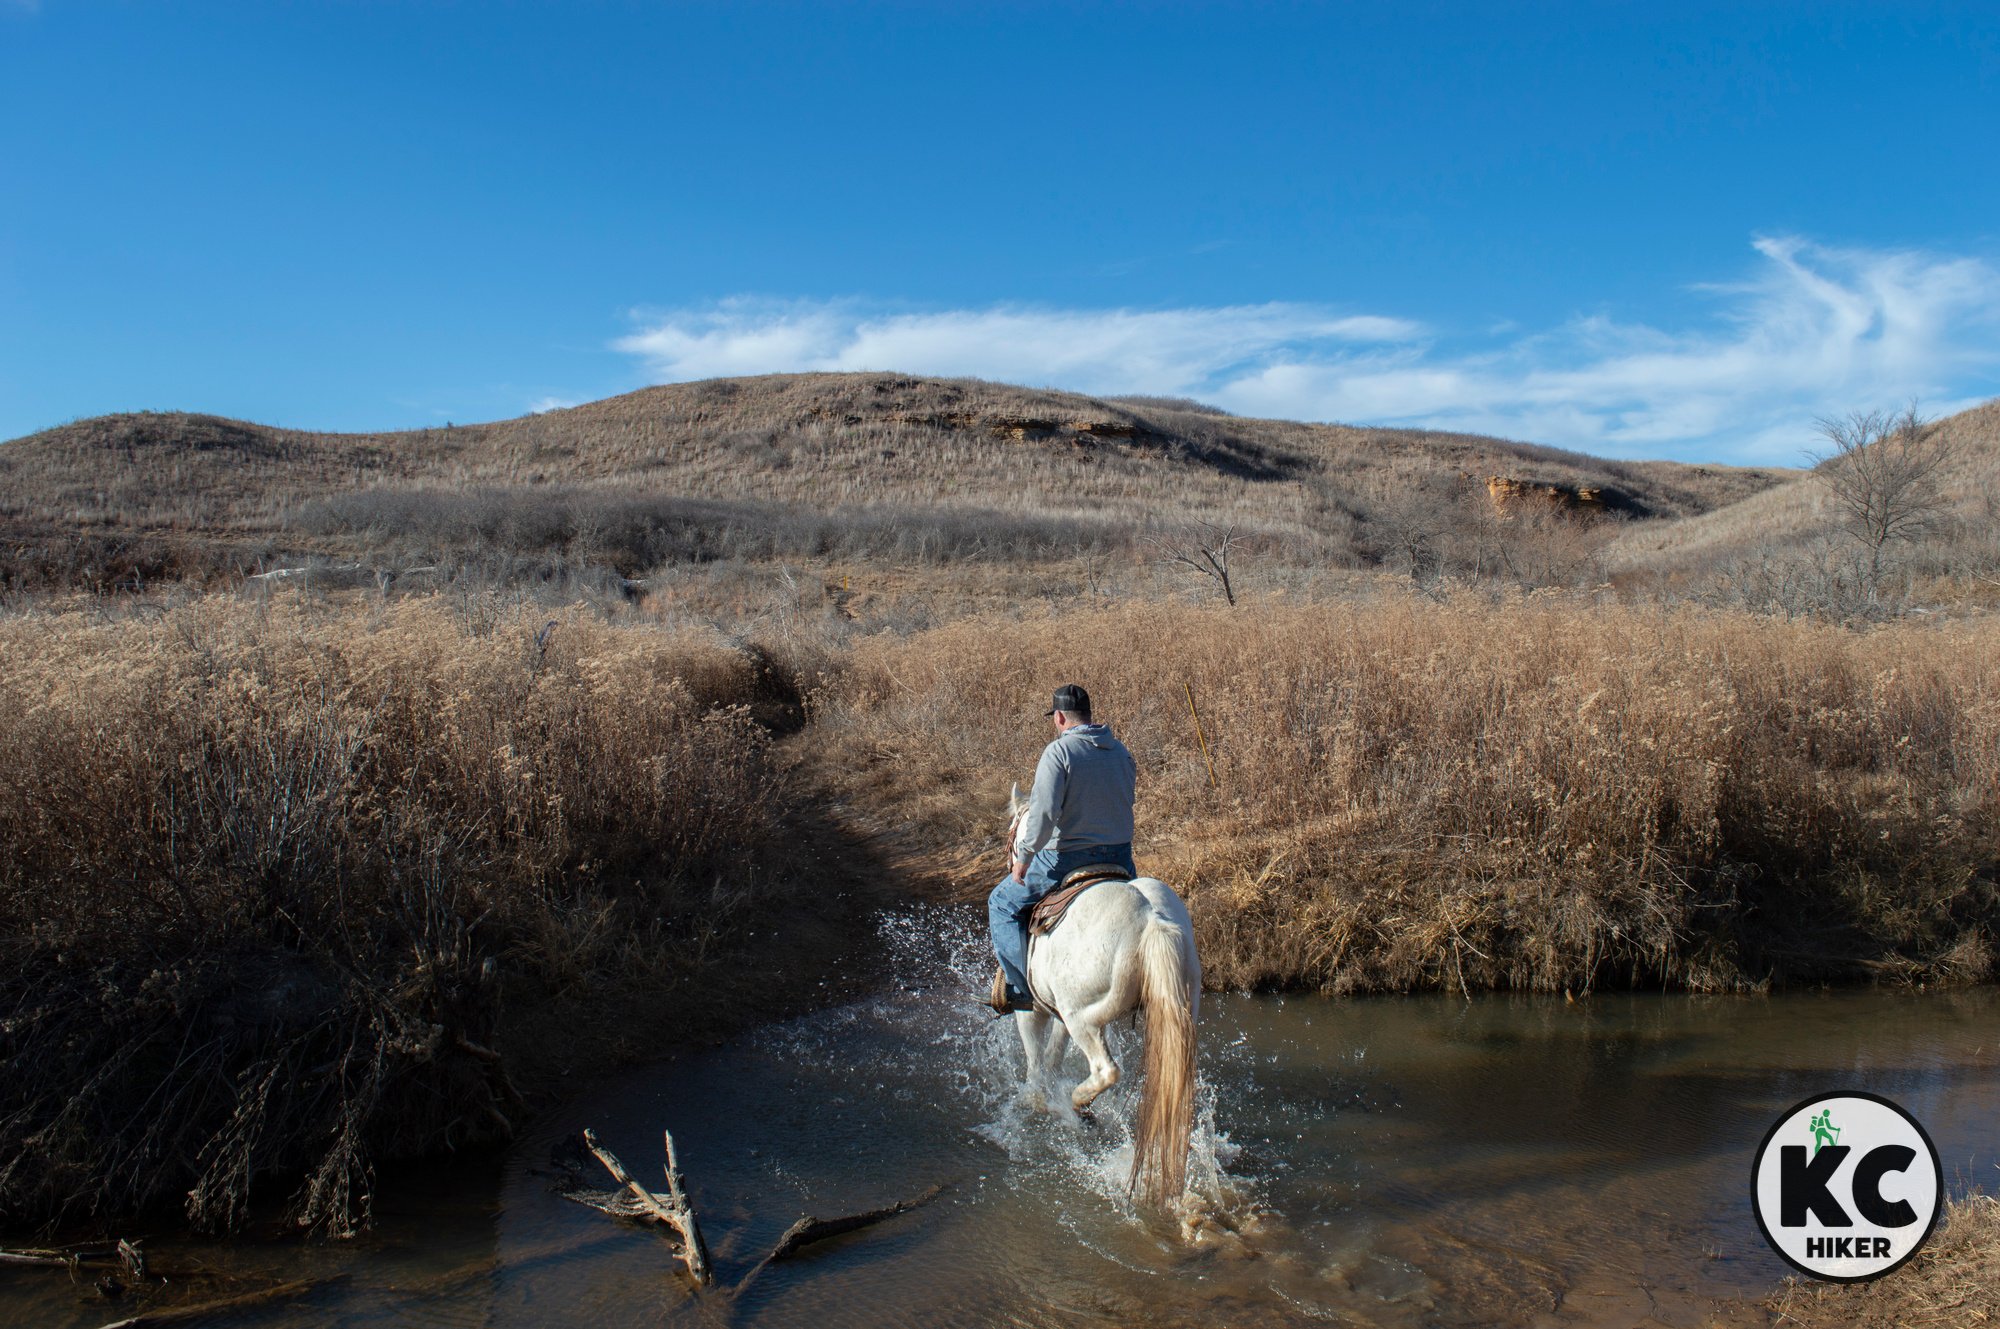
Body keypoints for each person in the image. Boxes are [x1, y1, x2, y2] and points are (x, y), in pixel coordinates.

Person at [988, 683, 1138, 1013]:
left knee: (1000, 902)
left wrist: (1024, 856)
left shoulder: (1059, 753)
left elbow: (1042, 814)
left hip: (1067, 859)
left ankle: (1020, 989)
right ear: (1088, 715)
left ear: (1059, 718)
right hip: (1121, 858)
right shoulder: (1121, 751)